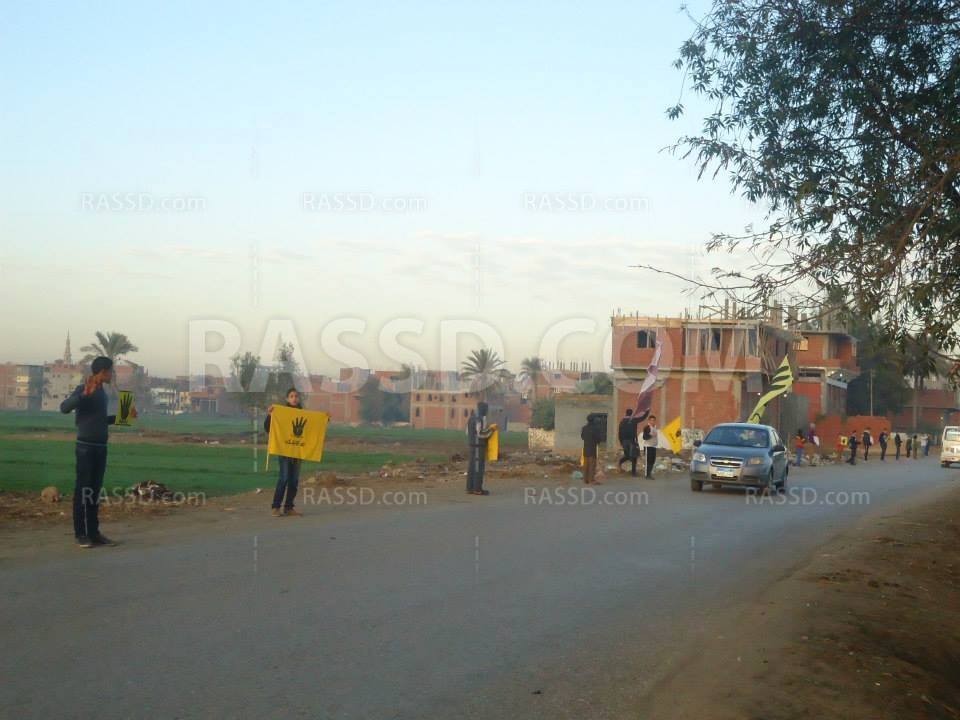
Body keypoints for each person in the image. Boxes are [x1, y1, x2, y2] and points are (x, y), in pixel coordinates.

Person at [60, 356, 133, 548]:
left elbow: (100, 420)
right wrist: (83, 395)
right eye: (111, 371)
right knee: (82, 491)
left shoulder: (102, 393)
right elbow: (64, 408)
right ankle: (81, 534)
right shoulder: (84, 388)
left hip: (101, 447)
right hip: (85, 447)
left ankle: (94, 533)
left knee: (94, 492)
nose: (113, 374)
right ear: (103, 372)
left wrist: (122, 417)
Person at [264, 388, 304, 516]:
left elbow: (313, 427)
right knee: (284, 478)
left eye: (296, 396)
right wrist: (270, 415)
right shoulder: (280, 412)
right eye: (291, 396)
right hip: (284, 451)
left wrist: (324, 419)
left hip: (297, 452)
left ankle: (289, 507)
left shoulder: (304, 414)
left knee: (294, 481)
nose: (294, 398)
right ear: (287, 399)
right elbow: (268, 428)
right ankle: (276, 507)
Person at [466, 402, 494, 495]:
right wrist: (491, 431)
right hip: (478, 447)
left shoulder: (471, 418)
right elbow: (480, 433)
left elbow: (467, 432)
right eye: (486, 409)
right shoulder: (479, 419)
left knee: (471, 467)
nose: (487, 412)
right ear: (483, 409)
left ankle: (469, 488)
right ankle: (477, 489)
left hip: (471, 446)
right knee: (478, 468)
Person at [617, 408, 641, 476]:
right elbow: (635, 432)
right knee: (634, 456)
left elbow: (619, 433)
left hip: (624, 441)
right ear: (632, 414)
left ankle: (620, 462)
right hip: (631, 441)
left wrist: (621, 442)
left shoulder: (622, 422)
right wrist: (636, 441)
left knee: (627, 455)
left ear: (626, 413)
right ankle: (633, 472)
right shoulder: (633, 421)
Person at [581, 415, 601, 484]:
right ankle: (591, 480)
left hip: (586, 448)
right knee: (592, 465)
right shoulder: (596, 428)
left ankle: (585, 479)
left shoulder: (584, 428)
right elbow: (598, 439)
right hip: (592, 448)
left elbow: (582, 437)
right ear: (593, 420)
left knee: (586, 465)